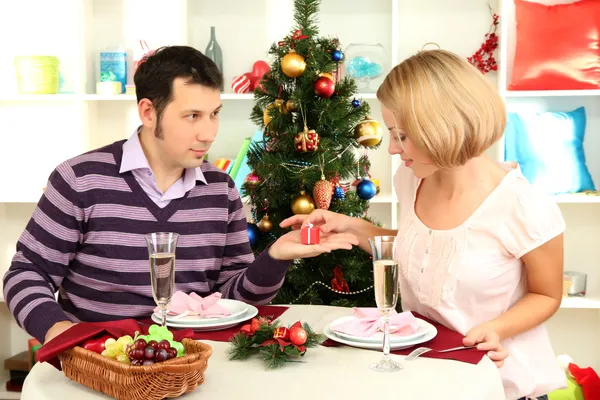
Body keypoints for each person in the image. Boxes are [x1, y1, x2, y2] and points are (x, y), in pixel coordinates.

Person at [2, 45, 358, 346]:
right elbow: (26, 273)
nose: (208, 133)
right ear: (148, 111)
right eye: (192, 116)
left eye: (214, 114)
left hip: (192, 369)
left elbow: (229, 301)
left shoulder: (221, 190)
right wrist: (61, 332)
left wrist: (275, 257)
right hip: (97, 367)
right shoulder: (80, 180)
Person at [281, 49, 565, 400]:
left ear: (442, 127)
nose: (393, 150)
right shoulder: (412, 179)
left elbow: (547, 294)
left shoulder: (523, 207)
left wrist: (496, 328)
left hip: (498, 384)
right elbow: (424, 247)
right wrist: (352, 228)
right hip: (431, 377)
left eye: (402, 135)